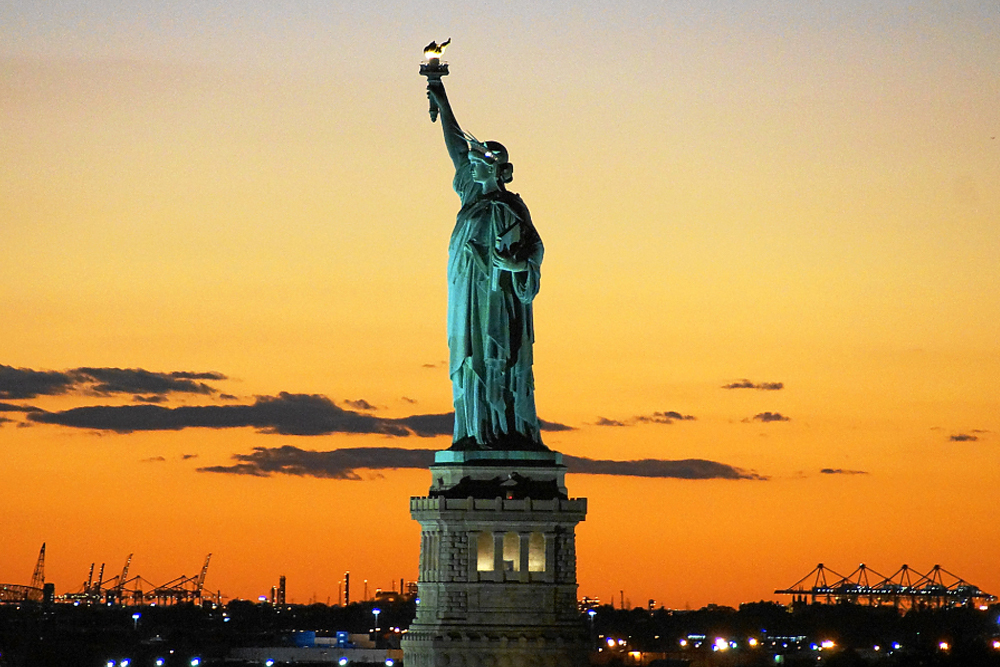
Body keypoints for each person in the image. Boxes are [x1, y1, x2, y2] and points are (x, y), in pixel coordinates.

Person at [426, 79, 546, 451]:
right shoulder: (471, 196)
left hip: (497, 300)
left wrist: (516, 265)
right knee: (468, 359)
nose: (471, 168)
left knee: (496, 359)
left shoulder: (510, 208)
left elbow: (536, 249)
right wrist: (440, 97)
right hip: (466, 295)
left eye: (479, 165)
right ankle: (472, 429)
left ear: (495, 171)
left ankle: (501, 428)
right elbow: (456, 149)